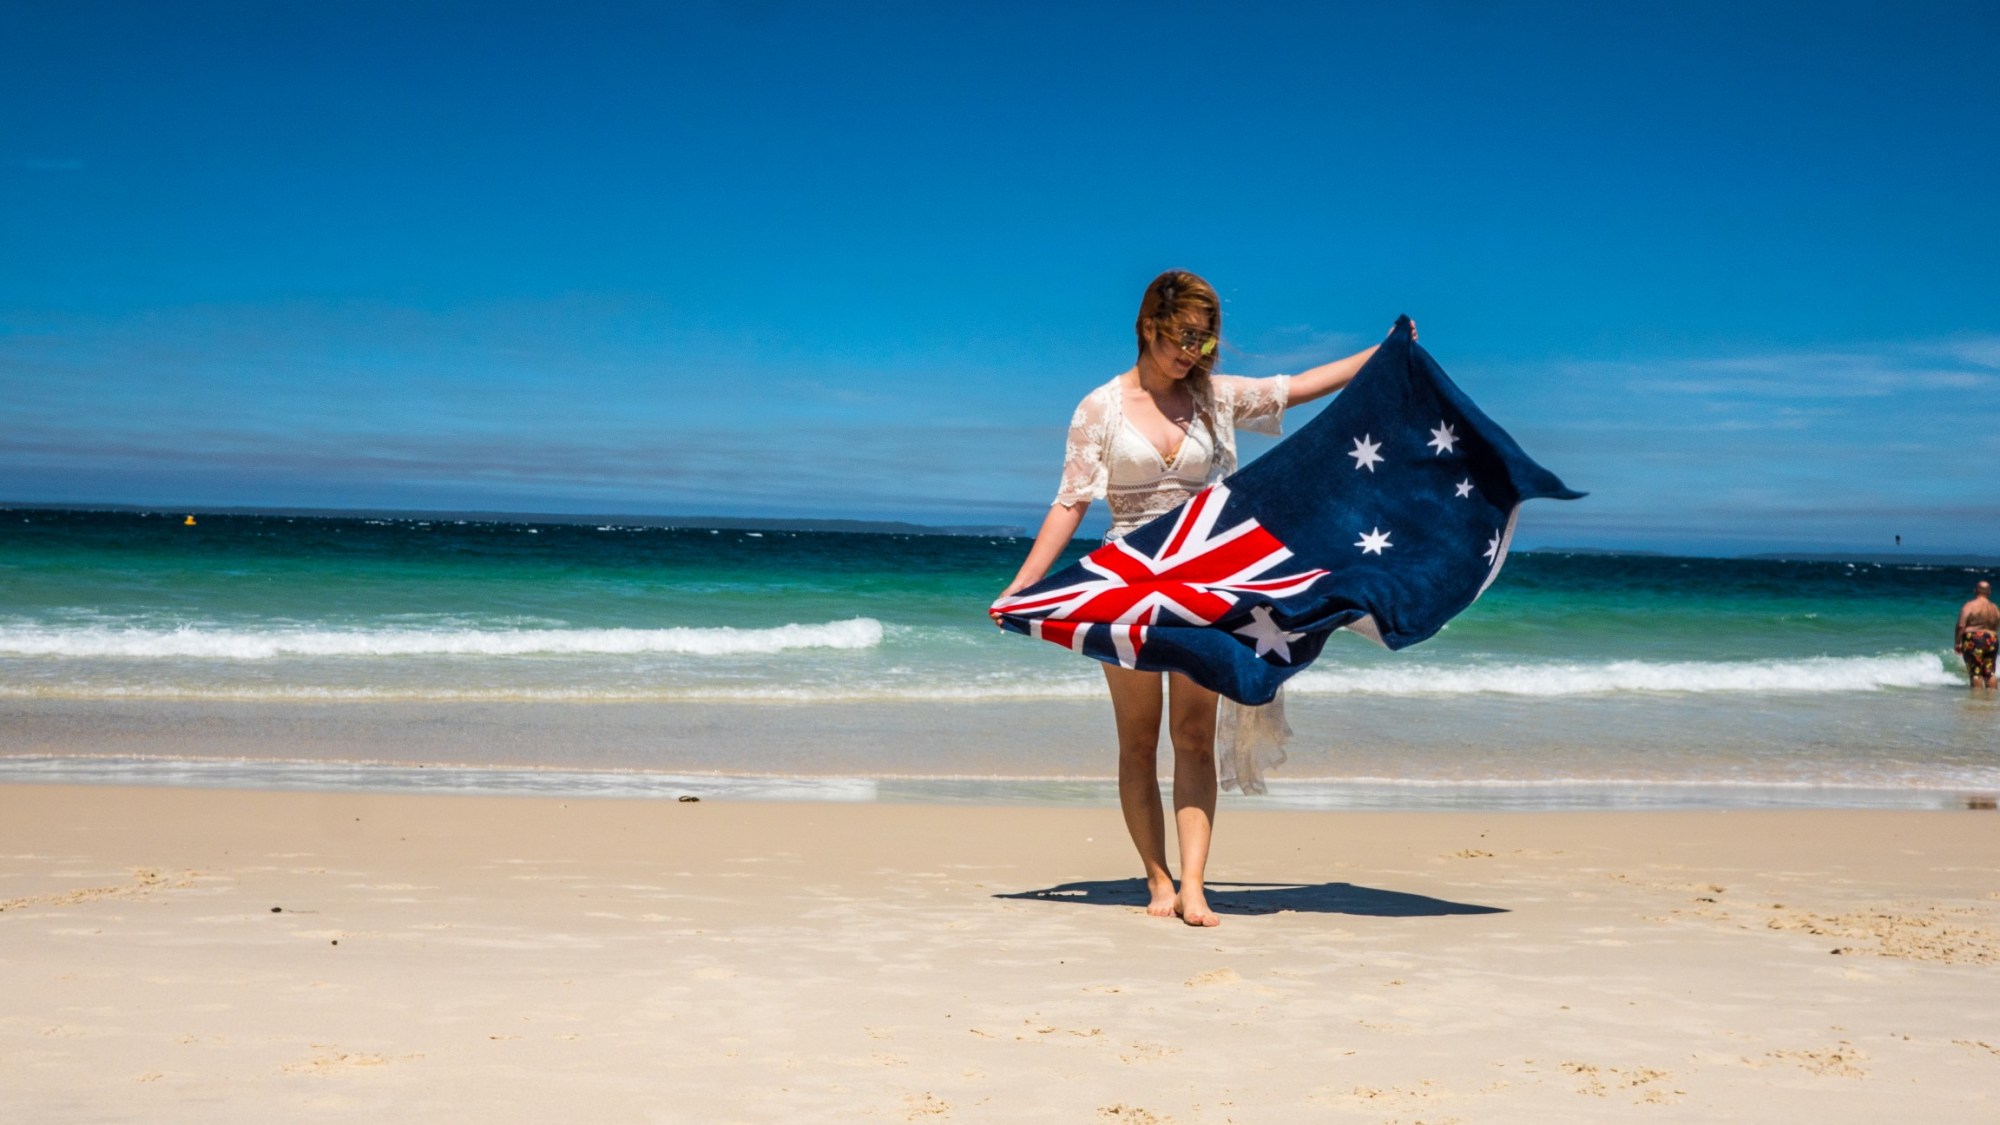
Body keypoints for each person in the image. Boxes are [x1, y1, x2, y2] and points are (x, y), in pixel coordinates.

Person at [996, 270, 1404, 927]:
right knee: (1137, 739)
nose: (1194, 352)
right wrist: (1023, 584)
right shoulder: (1099, 407)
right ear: (1148, 326)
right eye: (1183, 337)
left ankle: (1193, 885)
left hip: (1200, 584)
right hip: (1126, 585)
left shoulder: (1212, 399)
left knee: (1193, 736)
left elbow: (1292, 389)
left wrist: (1381, 353)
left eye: (1205, 341)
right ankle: (1156, 876)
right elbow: (1071, 500)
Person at [1954, 580, 1999, 691]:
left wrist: (1957, 642)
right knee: (1990, 672)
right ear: (1989, 592)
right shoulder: (1995, 608)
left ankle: (1977, 702)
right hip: (1992, 639)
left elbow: (1960, 625)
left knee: (1976, 672)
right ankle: (1991, 701)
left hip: (1974, 639)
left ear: (1975, 591)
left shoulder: (1969, 606)